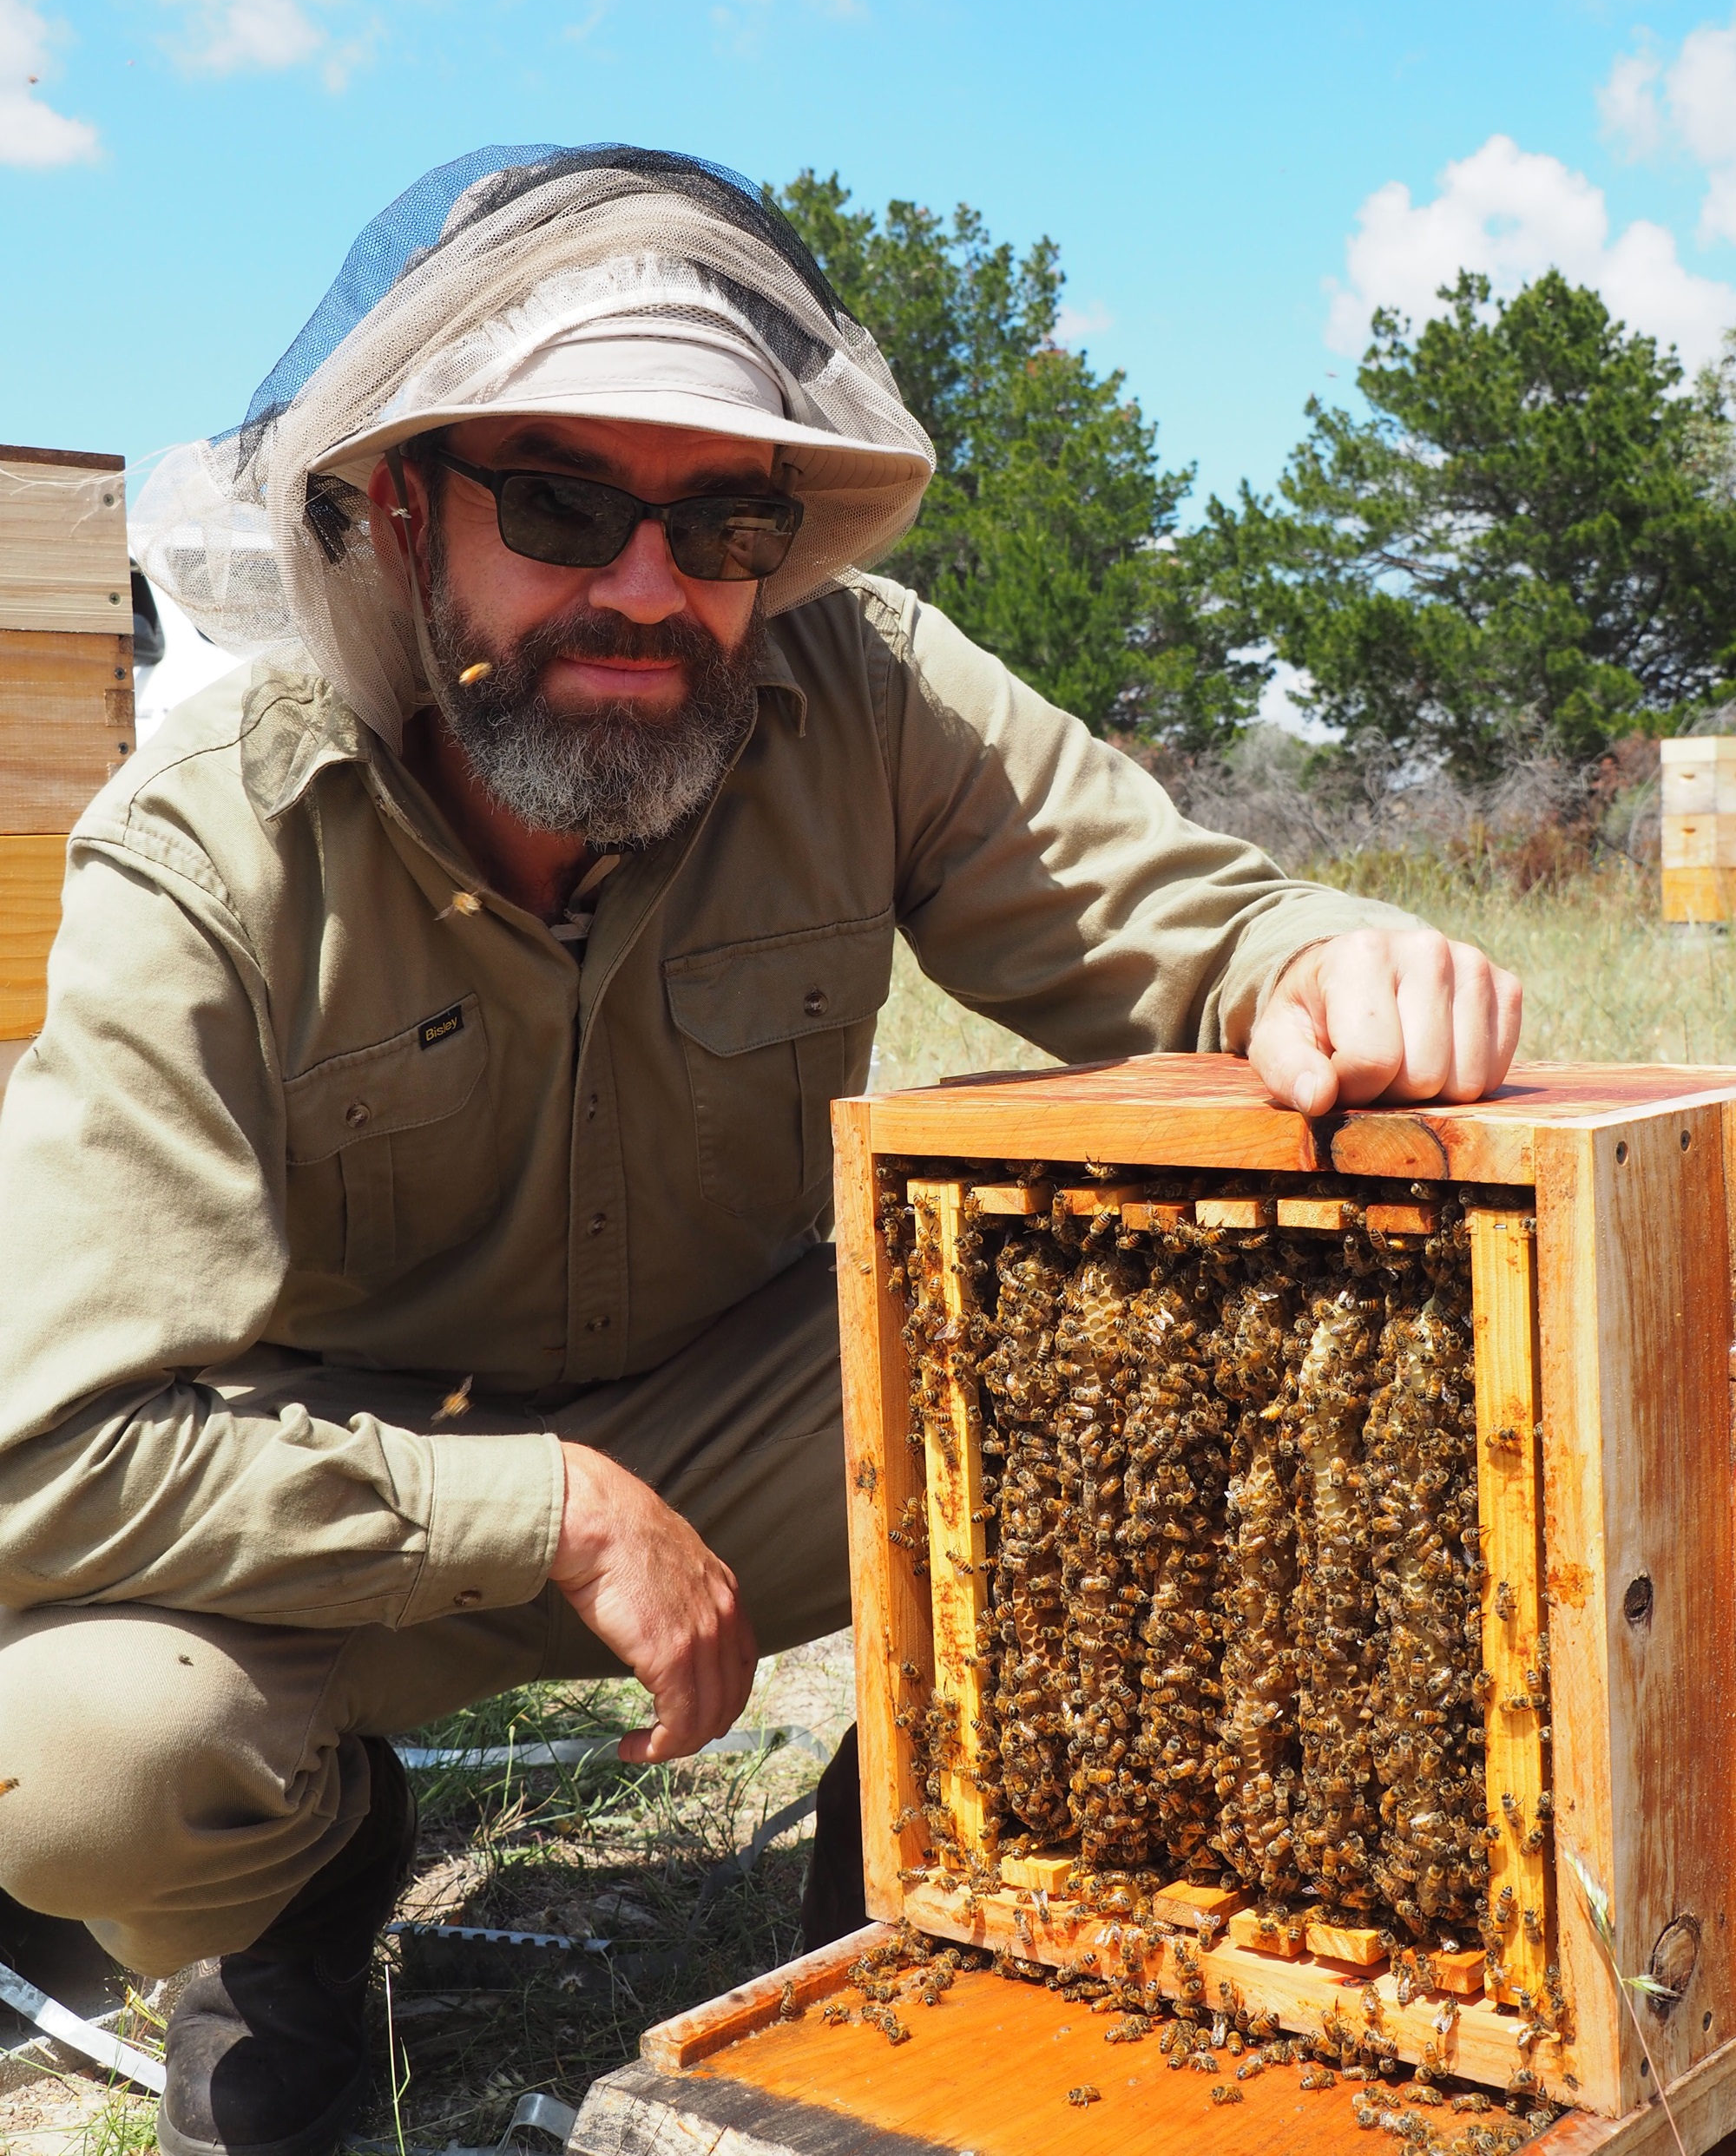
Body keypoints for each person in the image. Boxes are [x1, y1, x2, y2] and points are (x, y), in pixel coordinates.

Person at [0, 146, 1521, 2156]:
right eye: (560, 504)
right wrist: (545, 1508)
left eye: (719, 518)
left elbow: (1186, 924)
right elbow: (48, 1449)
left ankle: (912, 1875)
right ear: (396, 513)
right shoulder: (210, 842)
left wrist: (1338, 957)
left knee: (1160, 1332)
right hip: (340, 1502)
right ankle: (294, 1898)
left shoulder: (862, 686)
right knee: (83, 1749)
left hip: (747, 1429)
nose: (651, 583)